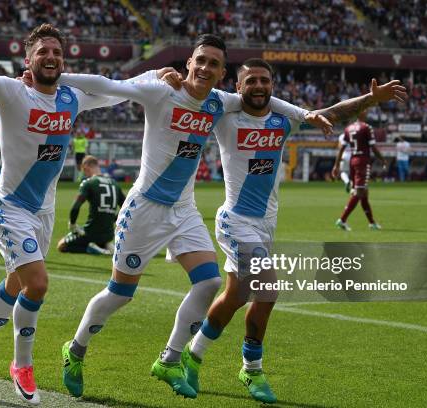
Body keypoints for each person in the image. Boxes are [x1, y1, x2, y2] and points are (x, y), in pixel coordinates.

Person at [52, 34, 333, 400]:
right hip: (144, 209)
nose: (205, 68)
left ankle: (169, 359)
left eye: (214, 64)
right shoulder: (161, 92)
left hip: (183, 209)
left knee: (208, 282)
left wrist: (302, 114)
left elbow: (261, 98)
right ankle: (74, 351)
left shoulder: (219, 102)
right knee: (121, 293)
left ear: (220, 74)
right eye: (200, 60)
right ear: (189, 63)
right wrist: (59, 76)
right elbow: (109, 85)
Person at [0, 11, 171, 405]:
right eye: (42, 52)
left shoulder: (72, 98)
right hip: (10, 206)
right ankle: (22, 365)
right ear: (29, 61)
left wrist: (156, 76)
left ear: (63, 61)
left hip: (44, 212)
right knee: (37, 283)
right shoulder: (12, 92)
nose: (51, 56)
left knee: (17, 283)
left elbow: (118, 89)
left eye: (56, 51)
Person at [176, 59, 407, 404]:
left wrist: (370, 99)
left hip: (265, 223)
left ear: (272, 85)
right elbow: (192, 93)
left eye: (264, 80)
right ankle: (251, 369)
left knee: (236, 297)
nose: (258, 86)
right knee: (269, 288)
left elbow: (331, 113)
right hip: (236, 220)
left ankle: (192, 357)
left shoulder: (283, 119)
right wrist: (172, 78)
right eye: (250, 80)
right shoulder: (225, 115)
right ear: (238, 88)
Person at [57, 155, 125, 255]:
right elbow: (126, 207)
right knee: (99, 236)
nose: (85, 174)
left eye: (84, 171)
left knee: (61, 245)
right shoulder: (114, 183)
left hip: (91, 232)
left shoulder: (89, 183)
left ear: (86, 167)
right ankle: (105, 245)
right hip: (109, 234)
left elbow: (76, 207)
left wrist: (72, 224)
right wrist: (113, 218)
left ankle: (92, 249)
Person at [332, 111, 388, 231]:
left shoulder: (348, 128)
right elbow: (373, 147)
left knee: (363, 193)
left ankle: (372, 223)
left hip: (353, 161)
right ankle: (342, 220)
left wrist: (336, 166)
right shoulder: (366, 127)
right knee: (359, 192)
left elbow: (341, 148)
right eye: (365, 110)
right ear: (361, 113)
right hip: (363, 161)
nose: (367, 112)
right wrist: (383, 159)